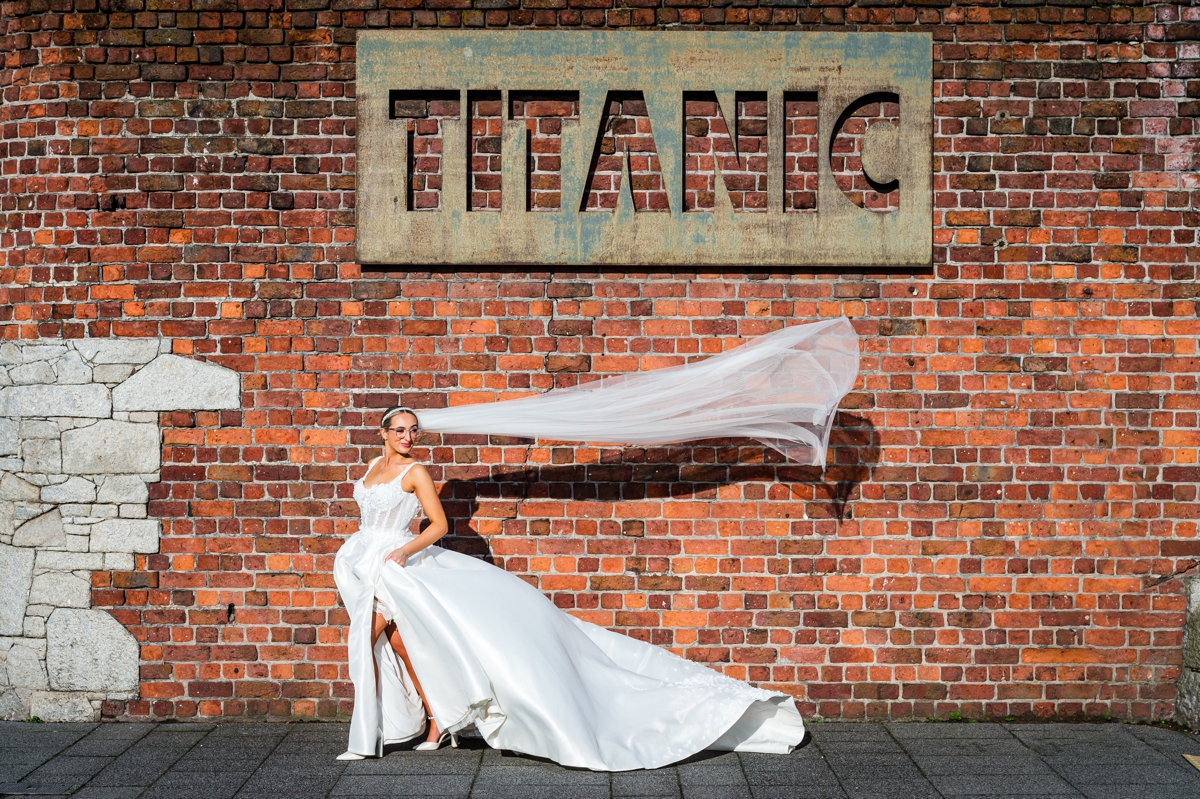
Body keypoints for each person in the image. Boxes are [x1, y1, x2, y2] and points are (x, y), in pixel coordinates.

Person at [332, 406, 807, 771]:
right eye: (400, 430)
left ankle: (377, 735)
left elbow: (437, 525)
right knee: (399, 641)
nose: (409, 438)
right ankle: (434, 719)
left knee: (369, 636)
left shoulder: (417, 472)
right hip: (363, 557)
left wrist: (402, 551)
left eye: (414, 430)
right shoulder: (375, 465)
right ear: (383, 433)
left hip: (400, 562)